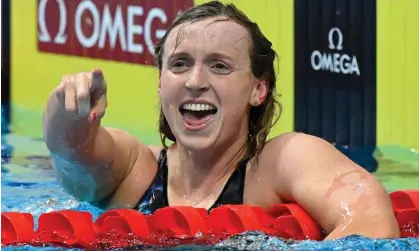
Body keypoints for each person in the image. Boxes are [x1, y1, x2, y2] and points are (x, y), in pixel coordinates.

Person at [42, 1, 399, 240]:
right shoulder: (135, 171)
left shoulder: (279, 164)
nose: (195, 81)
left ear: (258, 89)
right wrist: (69, 111)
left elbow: (371, 221)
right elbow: (72, 155)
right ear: (160, 81)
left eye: (219, 66)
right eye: (180, 64)